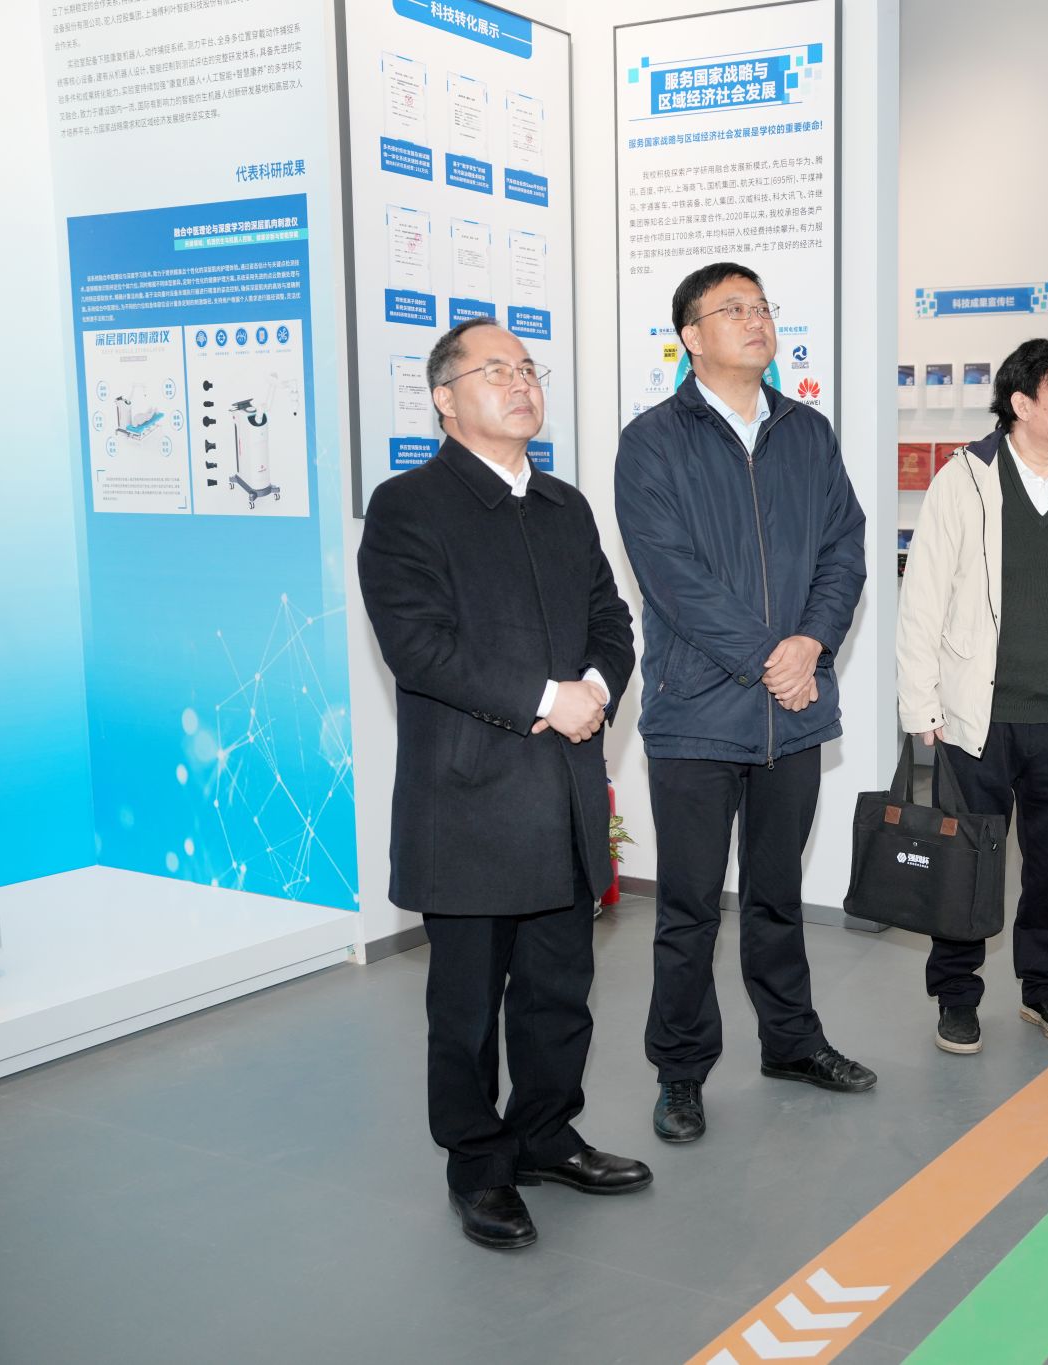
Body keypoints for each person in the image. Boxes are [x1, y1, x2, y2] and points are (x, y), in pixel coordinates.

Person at [358, 318, 650, 1252]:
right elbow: (419, 647)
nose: (521, 383)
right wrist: (547, 699)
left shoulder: (564, 504)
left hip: (562, 791)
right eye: (495, 370)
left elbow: (612, 618)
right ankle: (479, 1165)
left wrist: (596, 685)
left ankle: (547, 1134)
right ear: (444, 399)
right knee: (467, 1006)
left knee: (560, 989)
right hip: (469, 800)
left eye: (527, 368)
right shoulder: (408, 507)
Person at [613, 262, 874, 1146]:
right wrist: (773, 655)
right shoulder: (653, 441)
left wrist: (812, 644)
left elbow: (845, 548)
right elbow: (671, 577)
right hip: (697, 712)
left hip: (791, 712)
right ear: (691, 337)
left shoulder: (807, 432)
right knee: (689, 907)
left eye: (762, 306)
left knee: (777, 894)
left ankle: (792, 1042)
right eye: (734, 309)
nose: (756, 319)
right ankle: (681, 1071)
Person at [896, 338, 1048, 1053]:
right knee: (967, 861)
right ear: (1022, 404)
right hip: (978, 715)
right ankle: (957, 996)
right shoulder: (965, 479)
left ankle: (1046, 988)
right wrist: (921, 703)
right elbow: (923, 597)